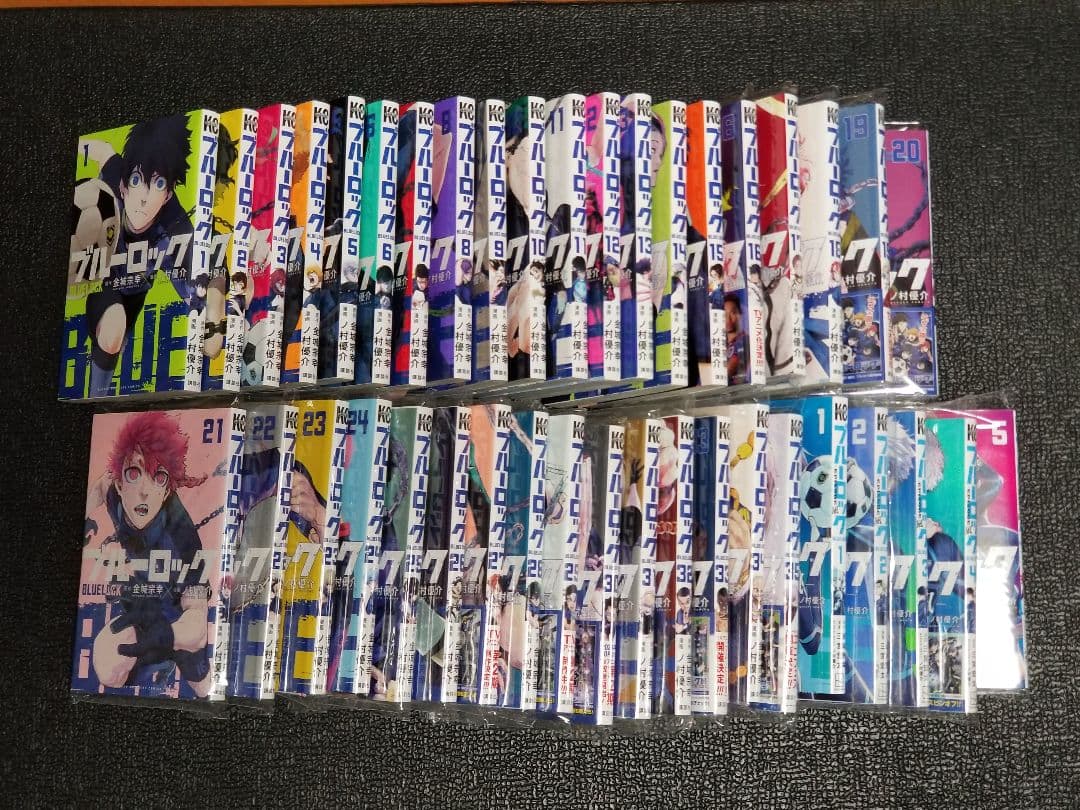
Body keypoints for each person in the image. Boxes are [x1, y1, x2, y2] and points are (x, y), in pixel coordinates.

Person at [85, 411, 211, 695]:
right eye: (134, 473)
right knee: (107, 666)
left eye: (159, 477)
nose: (144, 490)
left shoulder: (183, 538)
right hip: (143, 606)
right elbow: (100, 486)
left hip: (177, 627)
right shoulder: (113, 492)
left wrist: (168, 634)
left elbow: (198, 623)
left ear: (166, 492)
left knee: (204, 689)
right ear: (120, 483)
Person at [80, 116, 194, 395]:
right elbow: (101, 150)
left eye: (158, 185)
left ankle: (99, 394)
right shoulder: (112, 181)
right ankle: (95, 396)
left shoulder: (175, 227)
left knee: (119, 336)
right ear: (123, 186)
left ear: (168, 195)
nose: (144, 197)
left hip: (135, 293)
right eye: (136, 181)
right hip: (100, 284)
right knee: (114, 327)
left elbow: (199, 288)